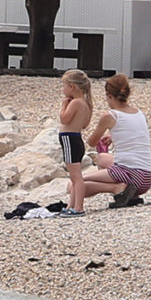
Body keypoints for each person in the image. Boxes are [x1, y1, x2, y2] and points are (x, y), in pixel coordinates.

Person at [75, 73, 151, 210]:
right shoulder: (138, 112)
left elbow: (91, 142)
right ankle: (131, 195)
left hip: (131, 174)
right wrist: (113, 137)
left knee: (73, 186)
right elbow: (135, 133)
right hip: (147, 177)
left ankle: (116, 188)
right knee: (101, 158)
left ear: (109, 95)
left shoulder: (109, 116)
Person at [55, 69, 93, 205]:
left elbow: (64, 119)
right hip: (77, 139)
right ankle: (72, 205)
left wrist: (64, 105)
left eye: (64, 86)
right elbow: (84, 124)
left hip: (69, 139)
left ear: (72, 87)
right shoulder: (85, 103)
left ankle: (78, 207)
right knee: (75, 177)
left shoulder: (75, 102)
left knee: (76, 178)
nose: (63, 89)